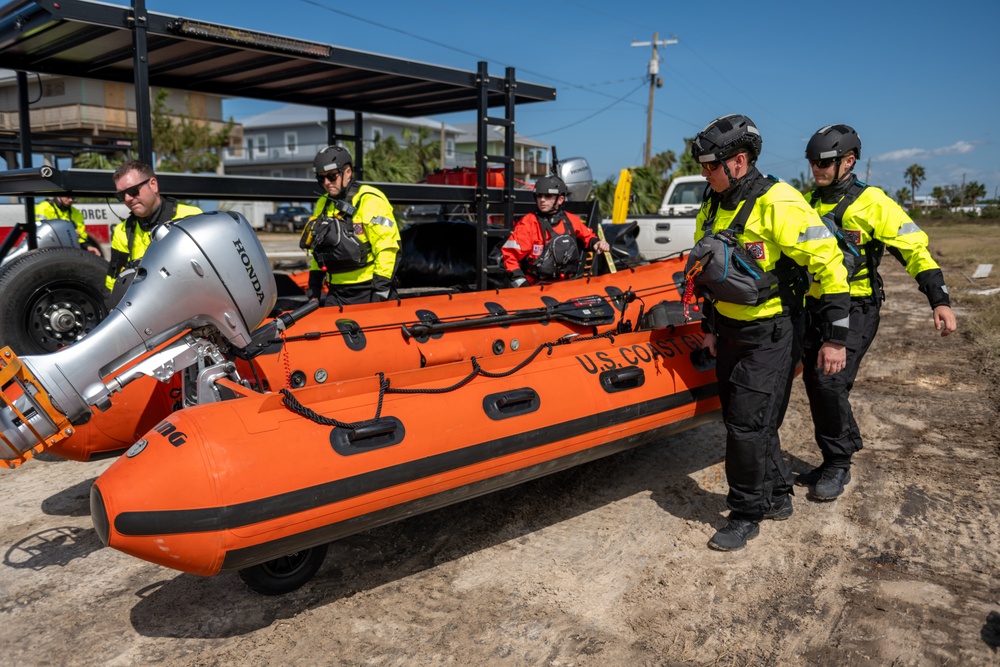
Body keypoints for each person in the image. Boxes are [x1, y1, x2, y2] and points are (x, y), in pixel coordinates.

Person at [688, 114, 851, 552]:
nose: (705, 173)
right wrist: (709, 329)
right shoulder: (712, 201)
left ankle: (746, 513)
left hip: (772, 333)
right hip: (729, 330)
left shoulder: (779, 201)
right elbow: (708, 270)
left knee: (745, 425)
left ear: (738, 161)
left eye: (710, 165)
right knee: (750, 422)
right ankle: (778, 496)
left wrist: (836, 338)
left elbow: (830, 265)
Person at [797, 124, 957, 500]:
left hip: (857, 308)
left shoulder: (874, 203)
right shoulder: (805, 203)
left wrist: (940, 300)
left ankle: (840, 462)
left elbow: (913, 250)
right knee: (816, 386)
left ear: (848, 161)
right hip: (815, 306)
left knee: (829, 381)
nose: (816, 168)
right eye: (812, 162)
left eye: (824, 162)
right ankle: (831, 457)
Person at [303, 145, 400, 304]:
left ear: (347, 172)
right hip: (336, 292)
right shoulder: (323, 203)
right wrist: (314, 287)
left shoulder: (369, 199)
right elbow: (319, 248)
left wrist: (381, 290)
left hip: (368, 289)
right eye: (321, 178)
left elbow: (387, 247)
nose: (327, 183)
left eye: (332, 176)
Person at [107, 160, 202, 299]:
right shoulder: (122, 231)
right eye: (121, 195)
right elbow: (113, 283)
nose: (128, 198)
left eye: (133, 191)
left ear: (153, 185)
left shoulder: (191, 217)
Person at [501, 175, 610, 286]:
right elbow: (509, 256)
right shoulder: (528, 223)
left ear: (561, 199)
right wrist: (523, 285)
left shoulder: (571, 220)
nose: (542, 200)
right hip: (537, 286)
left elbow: (588, 238)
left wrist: (598, 243)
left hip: (567, 284)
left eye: (548, 196)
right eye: (539, 196)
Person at [34, 194, 102, 256]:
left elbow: (82, 239)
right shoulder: (43, 208)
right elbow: (39, 235)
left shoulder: (77, 213)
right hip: (46, 252)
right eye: (68, 197)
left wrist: (87, 247)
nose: (71, 200)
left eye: (73, 197)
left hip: (68, 254)